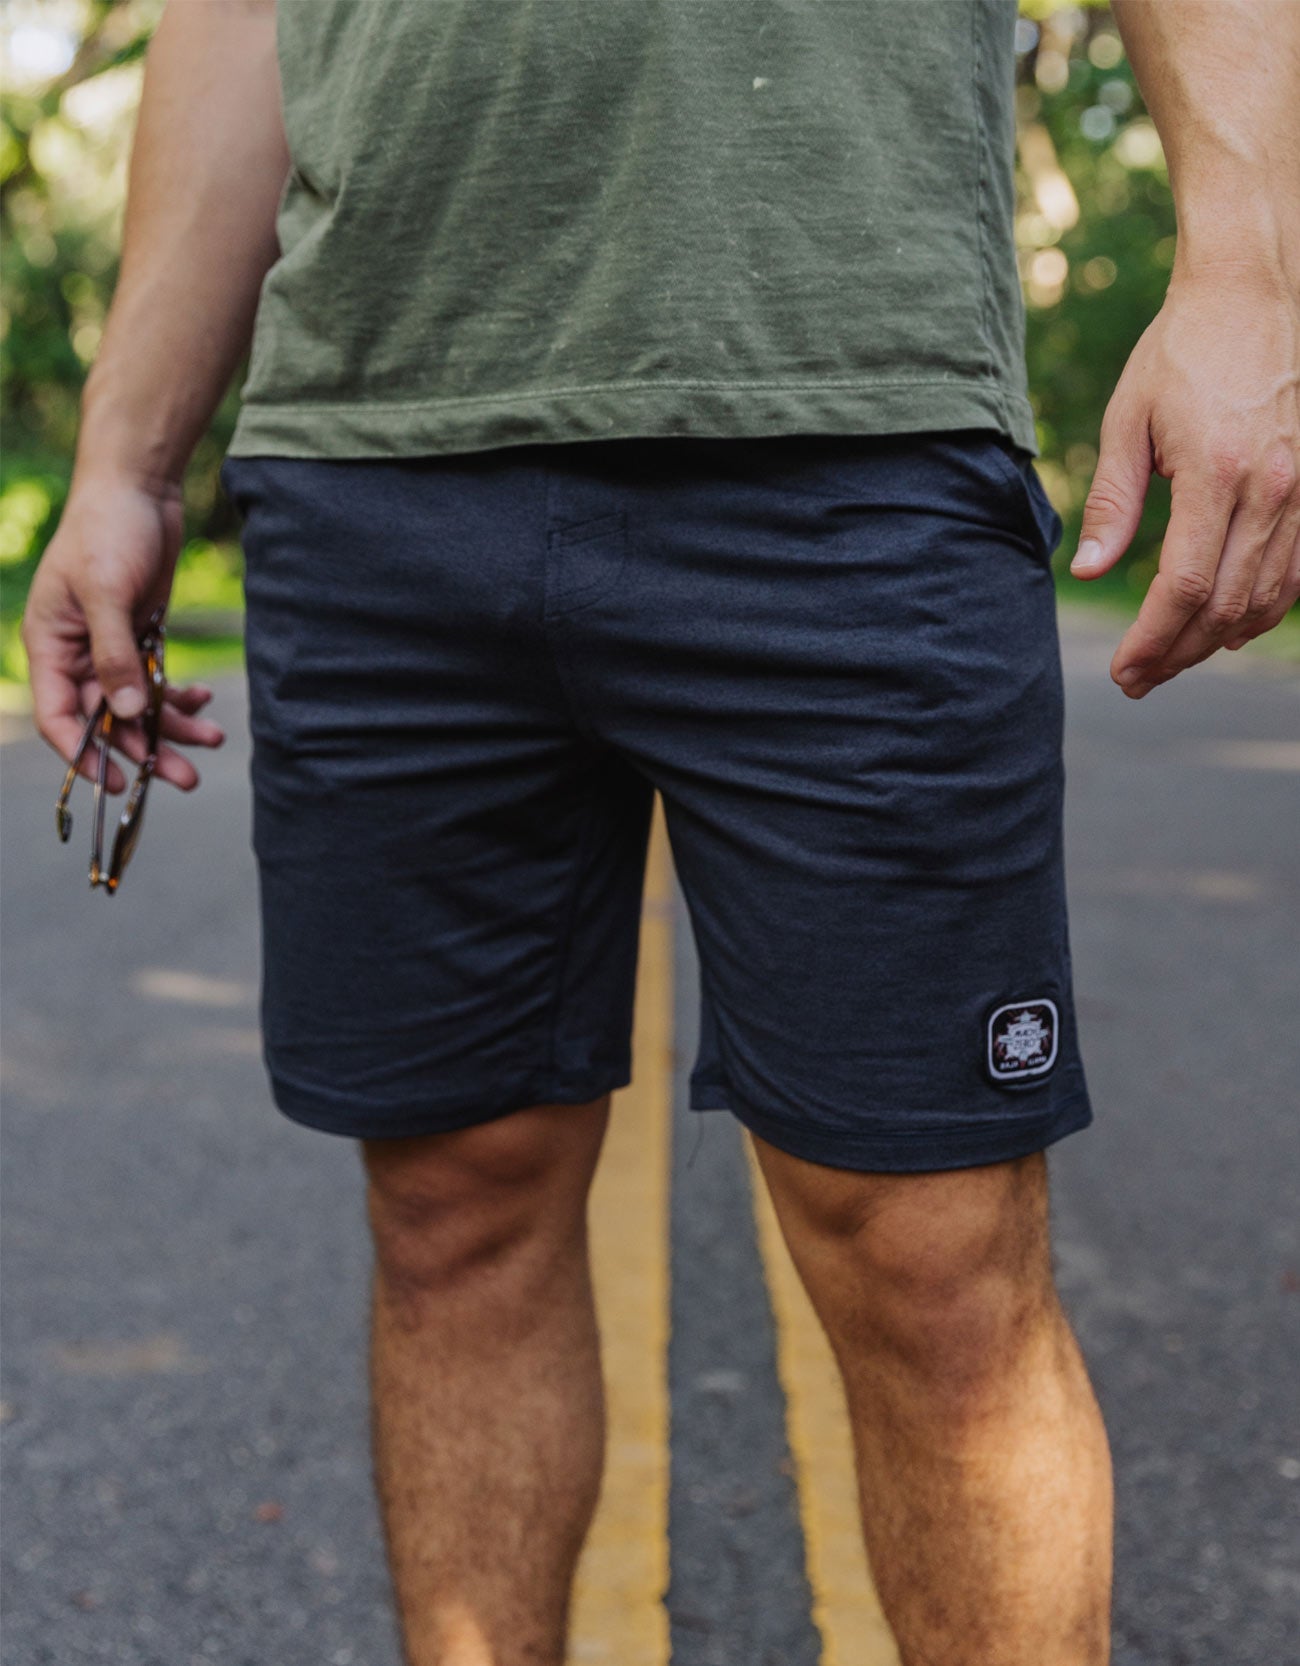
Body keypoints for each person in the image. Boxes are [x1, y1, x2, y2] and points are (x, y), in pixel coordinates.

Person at [20, 1, 1299, 1661]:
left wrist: (1250, 271)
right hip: (377, 454)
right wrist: (126, 453)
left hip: (849, 427)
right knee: (451, 1215)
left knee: (936, 1269)